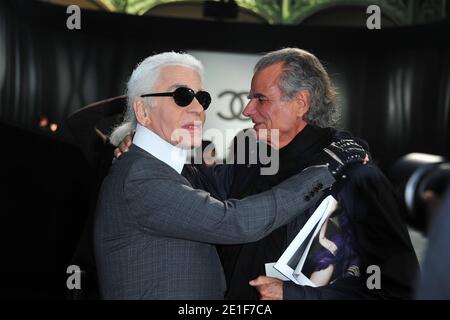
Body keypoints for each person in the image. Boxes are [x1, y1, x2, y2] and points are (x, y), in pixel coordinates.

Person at [116, 48, 418, 300]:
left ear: (300, 103)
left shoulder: (355, 176)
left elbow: (397, 287)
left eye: (261, 99)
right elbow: (200, 187)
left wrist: (296, 295)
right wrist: (148, 145)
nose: (247, 110)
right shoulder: (250, 154)